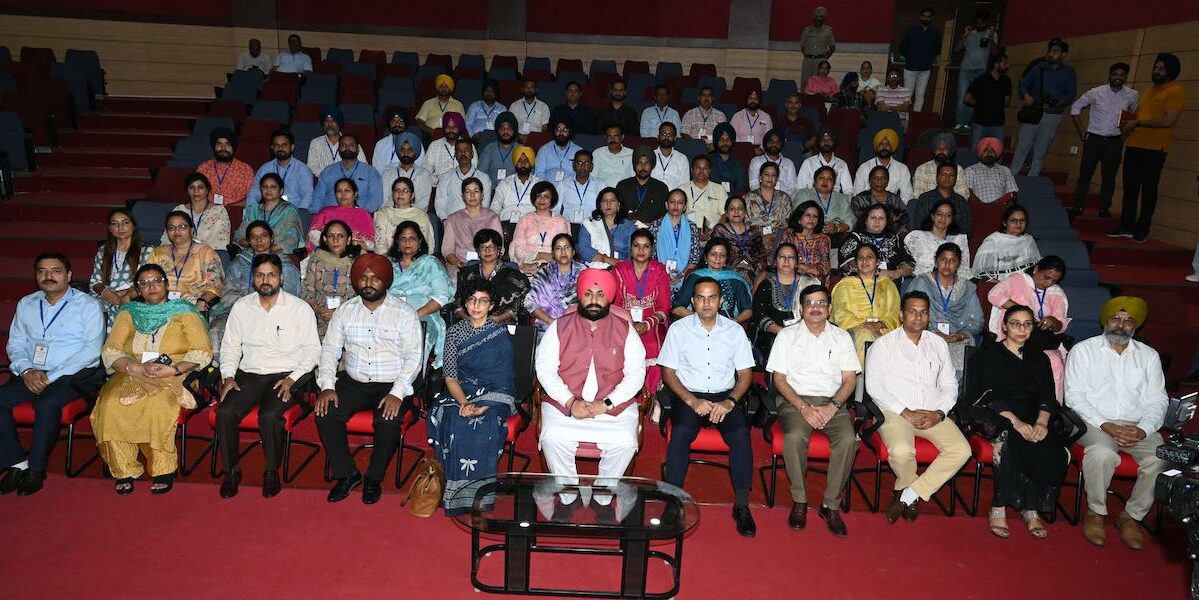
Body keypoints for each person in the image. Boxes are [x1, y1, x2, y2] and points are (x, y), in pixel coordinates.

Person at [534, 268, 647, 521]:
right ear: (579, 296)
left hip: (611, 407)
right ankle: (569, 496)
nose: (594, 299)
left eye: (600, 294)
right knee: (553, 439)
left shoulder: (625, 329)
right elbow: (544, 368)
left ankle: (603, 496)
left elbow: (636, 374)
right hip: (567, 405)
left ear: (609, 298)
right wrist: (569, 401)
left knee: (625, 443)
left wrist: (606, 403)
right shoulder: (559, 327)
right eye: (588, 293)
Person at [91, 264, 212, 495]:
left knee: (156, 406)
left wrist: (173, 370)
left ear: (166, 284)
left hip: (175, 374)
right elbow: (111, 350)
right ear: (137, 289)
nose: (151, 287)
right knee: (109, 405)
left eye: (156, 281)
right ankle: (123, 468)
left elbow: (202, 351)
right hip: (131, 371)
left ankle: (163, 469)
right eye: (144, 283)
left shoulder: (185, 312)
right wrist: (134, 367)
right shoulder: (128, 313)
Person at [315, 253, 423, 504]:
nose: (369, 282)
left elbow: (414, 357)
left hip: (391, 381)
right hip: (354, 381)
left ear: (386, 280)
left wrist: (397, 392)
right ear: (355, 281)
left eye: (375, 278)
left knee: (387, 420)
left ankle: (374, 477)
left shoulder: (404, 313)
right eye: (363, 277)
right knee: (324, 412)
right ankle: (347, 473)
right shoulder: (345, 311)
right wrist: (327, 386)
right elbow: (330, 350)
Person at [1065, 296, 1168, 550]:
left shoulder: (1148, 356)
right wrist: (1106, 425)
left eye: (1128, 321)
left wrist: (1143, 428)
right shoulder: (1084, 350)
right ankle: (1096, 512)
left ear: (1136, 326)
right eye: (1116, 318)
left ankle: (1131, 517)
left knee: (1161, 457)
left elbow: (1158, 399)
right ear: (1105, 320)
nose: (1121, 325)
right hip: (1093, 422)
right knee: (1103, 453)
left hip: (1137, 424)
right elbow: (1074, 397)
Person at [214, 253, 320, 498]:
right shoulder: (242, 307)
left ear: (281, 278)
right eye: (260, 275)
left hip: (286, 375)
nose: (265, 280)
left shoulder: (299, 308)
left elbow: (313, 351)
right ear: (253, 278)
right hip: (249, 374)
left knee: (270, 416)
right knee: (225, 412)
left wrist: (294, 378)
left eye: (271, 275)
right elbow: (230, 346)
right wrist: (228, 375)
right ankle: (231, 470)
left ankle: (271, 471)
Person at [659, 277, 757, 536]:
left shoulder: (735, 331)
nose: (706, 303)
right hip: (690, 396)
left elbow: (746, 374)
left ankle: (742, 505)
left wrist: (730, 401)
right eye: (700, 298)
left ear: (721, 301)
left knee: (740, 434)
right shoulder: (679, 329)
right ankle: (672, 500)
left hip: (725, 396)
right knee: (681, 432)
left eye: (712, 297)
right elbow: (668, 372)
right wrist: (691, 400)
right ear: (692, 301)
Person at [0, 253, 104, 495]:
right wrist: (27, 370)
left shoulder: (87, 305)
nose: (48, 276)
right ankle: (17, 463)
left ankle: (36, 469)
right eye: (42, 271)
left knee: (47, 404)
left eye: (56, 271)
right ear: (36, 275)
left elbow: (90, 351)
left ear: (68, 275)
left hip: (73, 376)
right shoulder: (26, 304)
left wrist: (51, 376)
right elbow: (15, 344)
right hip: (32, 373)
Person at [964, 304, 1066, 539]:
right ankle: (999, 506)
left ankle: (1031, 509)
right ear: (1004, 326)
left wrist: (1041, 422)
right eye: (1015, 324)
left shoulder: (1038, 357)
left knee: (1049, 444)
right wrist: (1016, 422)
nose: (1022, 329)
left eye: (1027, 324)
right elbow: (987, 394)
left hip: (1033, 415)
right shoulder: (989, 354)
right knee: (1014, 438)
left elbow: (1047, 394)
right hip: (997, 414)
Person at [867, 291, 970, 523]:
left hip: (931, 412)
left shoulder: (938, 344)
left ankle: (909, 494)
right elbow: (874, 387)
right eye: (912, 312)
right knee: (903, 451)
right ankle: (909, 493)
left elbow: (949, 384)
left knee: (962, 451)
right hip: (895, 412)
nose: (918, 317)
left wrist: (940, 412)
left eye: (923, 312)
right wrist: (905, 412)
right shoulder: (883, 345)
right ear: (902, 314)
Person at [766, 283, 859, 536]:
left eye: (821, 303)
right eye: (810, 303)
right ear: (801, 308)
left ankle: (830, 504)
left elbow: (850, 380)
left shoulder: (841, 337)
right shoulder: (787, 336)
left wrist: (833, 406)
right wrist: (804, 407)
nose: (815, 308)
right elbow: (779, 380)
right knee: (795, 437)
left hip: (833, 401)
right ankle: (800, 500)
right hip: (794, 400)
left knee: (849, 440)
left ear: (829, 308)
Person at [427, 279, 516, 515]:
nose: (477, 305)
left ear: (492, 304)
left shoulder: (500, 336)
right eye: (472, 300)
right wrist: (464, 402)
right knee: (455, 419)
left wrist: (483, 406)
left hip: (494, 395)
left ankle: (480, 495)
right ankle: (454, 493)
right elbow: (450, 377)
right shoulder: (454, 332)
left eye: (483, 300)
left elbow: (505, 380)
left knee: (484, 424)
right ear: (465, 303)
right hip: (459, 393)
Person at [1111, 53, 1184, 242]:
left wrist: (1139, 124)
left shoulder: (1175, 90)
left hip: (1155, 149)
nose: (1156, 71)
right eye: (1155, 67)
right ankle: (1126, 226)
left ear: (1171, 70)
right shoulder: (1148, 90)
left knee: (1149, 190)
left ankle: (1142, 230)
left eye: (1161, 68)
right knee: (1130, 189)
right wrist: (1127, 128)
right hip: (1135, 145)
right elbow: (1137, 117)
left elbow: (1169, 120)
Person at [209, 221, 302, 355]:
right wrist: (245, 305)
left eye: (263, 235)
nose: (259, 240)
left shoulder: (284, 264)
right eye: (253, 237)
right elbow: (228, 290)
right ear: (248, 241)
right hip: (237, 310)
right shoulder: (239, 261)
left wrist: (259, 306)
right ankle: (223, 370)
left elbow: (291, 295)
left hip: (273, 312)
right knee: (217, 329)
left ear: (271, 239)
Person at [987, 256, 1070, 401]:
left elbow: (1061, 325)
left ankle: (1051, 408)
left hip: (1040, 340)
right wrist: (1022, 311)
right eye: (1047, 277)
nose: (1049, 283)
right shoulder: (1017, 280)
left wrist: (1053, 321)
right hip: (1014, 337)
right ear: (1036, 269)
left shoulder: (1056, 292)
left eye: (1054, 281)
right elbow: (994, 295)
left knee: (1054, 361)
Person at [1069, 63, 1138, 220]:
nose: (1118, 77)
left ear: (1125, 77)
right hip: (1093, 139)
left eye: (1121, 75)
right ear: (1110, 75)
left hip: (1114, 141)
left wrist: (1123, 137)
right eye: (1115, 74)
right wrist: (1082, 133)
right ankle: (1078, 206)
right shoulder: (1096, 92)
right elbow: (1075, 108)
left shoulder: (1132, 95)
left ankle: (1104, 209)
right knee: (1085, 175)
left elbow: (1132, 115)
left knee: (1109, 177)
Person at [905, 243, 983, 378]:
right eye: (943, 259)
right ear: (936, 261)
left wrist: (961, 335)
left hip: (956, 339)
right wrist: (930, 333)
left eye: (952, 260)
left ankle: (951, 398)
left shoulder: (967, 288)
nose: (947, 264)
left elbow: (977, 321)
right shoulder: (922, 282)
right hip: (924, 335)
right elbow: (908, 313)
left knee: (956, 364)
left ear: (958, 264)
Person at [613, 229, 673, 401]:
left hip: (652, 325)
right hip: (624, 324)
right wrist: (630, 325)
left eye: (646, 246)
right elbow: (614, 305)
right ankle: (625, 396)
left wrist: (646, 325)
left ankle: (650, 396)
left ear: (652, 249)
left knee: (654, 345)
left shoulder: (659, 271)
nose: (641, 250)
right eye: (637, 246)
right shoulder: (619, 270)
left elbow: (665, 306)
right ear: (630, 248)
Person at [1011, 38, 1077, 177]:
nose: (1052, 54)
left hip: (1053, 115)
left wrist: (1059, 102)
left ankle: (1032, 178)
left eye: (1056, 51)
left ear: (1063, 54)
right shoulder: (1039, 68)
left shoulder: (1068, 72)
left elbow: (1071, 94)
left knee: (1041, 150)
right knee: (1022, 147)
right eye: (1050, 51)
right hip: (1034, 112)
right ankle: (1012, 176)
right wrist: (1026, 95)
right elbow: (1023, 84)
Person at [832, 243, 902, 363]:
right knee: (865, 335)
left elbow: (894, 313)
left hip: (884, 330)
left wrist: (879, 325)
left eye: (869, 257)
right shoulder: (845, 284)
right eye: (860, 257)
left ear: (877, 262)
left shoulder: (888, 284)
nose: (864, 261)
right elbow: (841, 313)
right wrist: (867, 326)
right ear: (856, 262)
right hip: (856, 330)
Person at [751, 244, 819, 358]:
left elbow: (817, 310)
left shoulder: (808, 284)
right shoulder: (766, 284)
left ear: (797, 262)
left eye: (791, 257)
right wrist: (782, 332)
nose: (786, 261)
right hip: (774, 335)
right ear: (775, 261)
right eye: (782, 257)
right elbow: (759, 314)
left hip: (805, 333)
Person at [90, 208, 153, 328]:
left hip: (133, 299)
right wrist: (106, 293)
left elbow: (147, 281)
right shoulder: (103, 251)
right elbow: (95, 281)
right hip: (106, 298)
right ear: (110, 228)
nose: (121, 227)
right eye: (115, 224)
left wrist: (126, 295)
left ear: (133, 226)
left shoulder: (147, 251)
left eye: (125, 222)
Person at [149, 211, 223, 309]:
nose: (176, 231)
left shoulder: (205, 252)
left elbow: (215, 286)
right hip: (159, 305)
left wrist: (203, 300)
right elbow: (146, 280)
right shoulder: (158, 253)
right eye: (171, 228)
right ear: (167, 232)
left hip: (192, 306)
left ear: (192, 230)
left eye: (182, 227)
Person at [454, 229, 529, 325]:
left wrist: (497, 319)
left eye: (492, 247)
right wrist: (470, 320)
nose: (487, 250)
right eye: (483, 247)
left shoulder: (515, 277)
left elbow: (516, 306)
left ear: (499, 250)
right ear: (477, 251)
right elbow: (458, 303)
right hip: (469, 324)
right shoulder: (466, 274)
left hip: (501, 324)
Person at [301, 219, 361, 338]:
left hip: (349, 320)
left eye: (340, 236)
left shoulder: (356, 263)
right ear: (325, 239)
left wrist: (340, 313)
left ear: (348, 240)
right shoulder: (316, 260)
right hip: (320, 318)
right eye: (331, 236)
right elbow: (307, 294)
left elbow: (361, 297)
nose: (335, 240)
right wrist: (319, 310)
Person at [673, 238, 752, 324]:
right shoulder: (695, 277)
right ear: (706, 257)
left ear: (726, 259)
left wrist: (731, 323)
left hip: (725, 330)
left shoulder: (736, 279)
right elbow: (677, 308)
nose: (718, 258)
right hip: (698, 328)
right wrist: (700, 320)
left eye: (722, 255)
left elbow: (747, 311)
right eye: (713, 254)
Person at [526, 233, 586, 339]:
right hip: (547, 327)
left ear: (573, 252)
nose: (563, 252)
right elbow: (529, 303)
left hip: (577, 328)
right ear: (553, 253)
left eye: (566, 247)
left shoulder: (584, 273)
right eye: (558, 248)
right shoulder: (543, 274)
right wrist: (551, 322)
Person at [441, 177, 502, 278]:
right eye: (468, 192)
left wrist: (484, 266)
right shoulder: (453, 219)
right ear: (463, 196)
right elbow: (447, 250)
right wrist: (460, 264)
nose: (472, 195)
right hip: (460, 267)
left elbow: (499, 247)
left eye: (476, 191)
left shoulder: (492, 218)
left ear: (482, 195)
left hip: (488, 266)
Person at [246, 127, 315, 212]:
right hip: (268, 212)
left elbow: (307, 196)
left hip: (293, 212)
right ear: (272, 147)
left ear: (292, 147)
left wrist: (297, 215)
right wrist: (252, 210)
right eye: (276, 145)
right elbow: (255, 191)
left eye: (284, 145)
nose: (280, 148)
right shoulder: (265, 169)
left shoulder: (303, 170)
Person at [954, 10, 1000, 133]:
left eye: (982, 23)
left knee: (973, 97)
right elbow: (957, 49)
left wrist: (990, 37)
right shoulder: (970, 33)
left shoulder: (991, 33)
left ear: (986, 22)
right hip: (966, 69)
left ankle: (967, 124)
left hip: (980, 71)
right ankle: (959, 123)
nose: (980, 25)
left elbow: (994, 52)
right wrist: (964, 35)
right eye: (978, 22)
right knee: (962, 96)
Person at [839, 205, 914, 280]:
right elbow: (847, 264)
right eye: (873, 217)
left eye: (881, 218)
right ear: (865, 220)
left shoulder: (895, 239)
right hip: (861, 284)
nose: (877, 221)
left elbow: (910, 263)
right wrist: (876, 273)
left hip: (892, 284)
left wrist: (896, 273)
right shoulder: (855, 237)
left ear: (886, 221)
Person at [235, 173, 305, 254]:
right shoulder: (253, 210)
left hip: (278, 254)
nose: (268, 190)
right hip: (251, 253)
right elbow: (240, 233)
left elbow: (291, 238)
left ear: (281, 191)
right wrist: (248, 243)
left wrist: (267, 250)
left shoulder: (289, 210)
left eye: (273, 187)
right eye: (265, 187)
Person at [314, 133, 384, 213]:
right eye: (343, 145)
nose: (347, 147)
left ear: (358, 149)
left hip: (359, 216)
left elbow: (376, 198)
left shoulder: (370, 172)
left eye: (351, 145)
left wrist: (361, 214)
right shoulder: (327, 172)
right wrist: (315, 214)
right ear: (339, 149)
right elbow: (318, 197)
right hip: (331, 216)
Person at [511, 181, 571, 274]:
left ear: (552, 200)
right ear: (534, 198)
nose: (542, 200)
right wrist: (539, 257)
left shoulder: (561, 221)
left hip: (554, 266)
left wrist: (544, 263)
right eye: (538, 196)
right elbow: (518, 250)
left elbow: (565, 250)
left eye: (546, 197)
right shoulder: (525, 220)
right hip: (527, 265)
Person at [904, 199, 971, 279]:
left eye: (948, 215)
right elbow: (906, 262)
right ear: (932, 216)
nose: (943, 218)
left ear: (952, 219)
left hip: (952, 281)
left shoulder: (959, 240)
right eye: (940, 214)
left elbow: (963, 268)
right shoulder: (917, 236)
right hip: (922, 280)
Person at [973, 204, 1041, 282]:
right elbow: (980, 272)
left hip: (1024, 283)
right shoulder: (993, 241)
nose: (1018, 224)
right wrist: (1003, 285)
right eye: (1013, 220)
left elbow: (1035, 267)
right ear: (1004, 222)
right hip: (998, 284)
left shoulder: (1028, 240)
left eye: (1022, 220)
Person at [650, 189, 703, 289]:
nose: (675, 205)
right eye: (672, 202)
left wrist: (680, 275)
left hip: (684, 277)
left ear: (685, 207)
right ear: (666, 205)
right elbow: (651, 255)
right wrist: (663, 274)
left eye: (680, 202)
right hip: (658, 276)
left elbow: (694, 258)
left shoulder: (692, 227)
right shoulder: (656, 225)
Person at [163, 172, 231, 249]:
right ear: (187, 190)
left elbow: (220, 243)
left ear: (207, 190)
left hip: (208, 256)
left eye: (200, 187)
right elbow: (168, 238)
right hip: (179, 255)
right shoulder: (179, 209)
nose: (196, 191)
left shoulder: (218, 211)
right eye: (191, 187)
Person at [306, 178, 375, 252]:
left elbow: (371, 245)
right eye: (339, 191)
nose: (343, 194)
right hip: (327, 253)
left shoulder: (364, 215)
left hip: (355, 254)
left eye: (347, 190)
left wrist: (349, 244)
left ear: (355, 194)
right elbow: (313, 235)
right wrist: (333, 246)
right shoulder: (326, 212)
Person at [712, 195, 768, 283]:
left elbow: (761, 257)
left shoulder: (754, 231)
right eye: (732, 209)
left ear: (745, 212)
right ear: (726, 213)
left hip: (752, 273)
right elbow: (714, 256)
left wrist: (751, 267)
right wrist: (735, 266)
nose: (736, 211)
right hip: (726, 273)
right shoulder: (720, 231)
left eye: (740, 208)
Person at [964, 51, 1012, 150]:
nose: (1007, 66)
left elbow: (1007, 101)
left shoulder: (1007, 80)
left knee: (998, 151)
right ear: (996, 64)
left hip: (998, 123)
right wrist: (981, 104)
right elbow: (967, 98)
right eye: (1004, 63)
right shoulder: (981, 79)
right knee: (975, 151)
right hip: (980, 122)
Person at [435, 139, 492, 220]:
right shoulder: (445, 177)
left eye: (466, 150)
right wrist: (445, 221)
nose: (463, 153)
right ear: (455, 155)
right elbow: (440, 204)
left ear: (472, 154)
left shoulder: (484, 178)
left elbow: (485, 205)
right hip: (451, 223)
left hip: (476, 223)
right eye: (459, 150)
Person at [196, 127, 254, 207]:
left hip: (236, 213)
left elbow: (251, 199)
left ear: (233, 147)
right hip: (208, 213)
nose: (223, 148)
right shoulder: (203, 168)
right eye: (219, 144)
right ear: (214, 147)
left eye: (227, 144)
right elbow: (197, 196)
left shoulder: (245, 170)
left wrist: (229, 208)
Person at [375, 177, 435, 255]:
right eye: (397, 190)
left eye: (405, 191)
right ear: (392, 194)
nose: (400, 194)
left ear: (412, 195)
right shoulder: (383, 214)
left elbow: (428, 244)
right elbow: (380, 246)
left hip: (418, 261)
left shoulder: (421, 215)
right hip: (389, 259)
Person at [578, 186, 634, 268]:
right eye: (605, 201)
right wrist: (607, 259)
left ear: (618, 205)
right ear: (600, 205)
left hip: (621, 269)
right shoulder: (589, 224)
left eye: (613, 200)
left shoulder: (628, 226)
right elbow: (583, 249)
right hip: (594, 269)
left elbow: (632, 252)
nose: (608, 204)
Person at [908, 163, 971, 234]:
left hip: (954, 242)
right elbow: (918, 227)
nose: (947, 178)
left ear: (955, 179)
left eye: (951, 175)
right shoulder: (925, 199)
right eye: (944, 175)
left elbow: (966, 229)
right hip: (928, 241)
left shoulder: (961, 201)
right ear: (937, 178)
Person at [899, 7, 941, 112]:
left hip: (925, 69)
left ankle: (915, 118)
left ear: (931, 18)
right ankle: (903, 116)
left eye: (928, 17)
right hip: (910, 68)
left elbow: (937, 49)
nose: (926, 19)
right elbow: (902, 48)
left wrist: (928, 59)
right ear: (920, 16)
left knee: (920, 95)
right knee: (907, 95)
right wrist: (911, 58)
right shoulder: (911, 31)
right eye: (924, 16)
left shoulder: (935, 33)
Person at [743, 162, 793, 252]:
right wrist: (761, 237)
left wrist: (773, 237)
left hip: (778, 242)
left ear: (777, 179)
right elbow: (745, 223)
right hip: (754, 241)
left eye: (773, 175)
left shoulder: (784, 198)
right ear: (760, 177)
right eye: (766, 174)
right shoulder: (748, 198)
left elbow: (787, 224)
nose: (770, 178)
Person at [853, 129, 913, 202]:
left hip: (892, 208)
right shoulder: (864, 167)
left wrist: (896, 208)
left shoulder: (902, 169)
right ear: (876, 147)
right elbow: (857, 193)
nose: (884, 147)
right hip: (868, 207)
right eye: (881, 144)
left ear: (892, 148)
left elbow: (907, 195)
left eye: (887, 144)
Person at [793, 165, 853, 238]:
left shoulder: (842, 199)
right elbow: (796, 218)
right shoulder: (804, 195)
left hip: (835, 240)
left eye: (829, 179)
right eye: (821, 178)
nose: (825, 181)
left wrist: (837, 228)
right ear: (814, 181)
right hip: (808, 239)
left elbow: (850, 223)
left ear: (834, 184)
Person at [779, 201, 832, 283]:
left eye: (815, 216)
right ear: (799, 219)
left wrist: (813, 271)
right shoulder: (789, 235)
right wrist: (803, 267)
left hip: (816, 281)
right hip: (792, 278)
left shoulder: (823, 239)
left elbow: (826, 267)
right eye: (807, 215)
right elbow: (784, 261)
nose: (811, 219)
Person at [380, 131, 434, 212]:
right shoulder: (387, 174)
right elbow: (383, 202)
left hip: (415, 215)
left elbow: (424, 204)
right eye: (402, 150)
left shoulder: (424, 174)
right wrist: (398, 210)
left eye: (409, 150)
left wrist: (406, 211)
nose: (406, 153)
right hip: (392, 214)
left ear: (415, 152)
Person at [306, 106, 367, 178]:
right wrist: (329, 176)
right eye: (326, 121)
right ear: (323, 125)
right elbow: (311, 167)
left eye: (333, 121)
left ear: (339, 123)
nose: (330, 124)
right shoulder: (316, 143)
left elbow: (364, 166)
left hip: (349, 184)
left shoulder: (351, 142)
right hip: (325, 183)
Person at [850, 166, 908, 240]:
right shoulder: (859, 199)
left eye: (883, 178)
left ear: (887, 182)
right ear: (870, 180)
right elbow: (857, 222)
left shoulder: (895, 200)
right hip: (865, 238)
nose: (879, 181)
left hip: (891, 237)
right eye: (875, 178)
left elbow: (903, 220)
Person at [616, 146, 669, 225]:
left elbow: (664, 216)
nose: (643, 166)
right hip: (626, 230)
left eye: (646, 163)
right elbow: (617, 212)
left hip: (652, 231)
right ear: (634, 165)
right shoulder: (622, 186)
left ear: (652, 165)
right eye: (639, 162)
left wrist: (651, 225)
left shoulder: (661, 188)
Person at [491, 146, 543, 225]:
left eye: (526, 161)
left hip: (530, 224)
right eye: (519, 161)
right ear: (515, 163)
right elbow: (495, 206)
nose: (523, 164)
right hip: (507, 223)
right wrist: (495, 224)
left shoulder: (539, 184)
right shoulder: (505, 183)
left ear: (531, 163)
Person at [911, 131, 969, 199]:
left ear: (950, 151)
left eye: (945, 149)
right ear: (934, 150)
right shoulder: (922, 169)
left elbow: (963, 195)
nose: (941, 151)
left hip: (953, 206)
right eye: (938, 148)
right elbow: (918, 195)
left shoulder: (958, 169)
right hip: (928, 206)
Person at [796, 127, 854, 194]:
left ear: (834, 142)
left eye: (829, 140)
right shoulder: (809, 162)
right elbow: (800, 187)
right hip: (812, 200)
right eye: (823, 140)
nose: (826, 142)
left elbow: (848, 189)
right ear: (819, 143)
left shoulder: (841, 164)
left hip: (835, 201)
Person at [556, 149, 605, 226]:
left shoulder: (600, 186)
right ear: (573, 165)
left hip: (592, 226)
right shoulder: (563, 185)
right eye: (580, 163)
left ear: (591, 166)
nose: (583, 166)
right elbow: (556, 209)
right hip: (568, 226)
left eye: (586, 163)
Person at [965, 137, 1019, 204]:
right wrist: (983, 207)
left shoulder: (1005, 170)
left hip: (1001, 207)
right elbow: (967, 192)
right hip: (978, 207)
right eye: (985, 150)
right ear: (980, 153)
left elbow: (1012, 194)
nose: (989, 153)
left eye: (993, 150)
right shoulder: (970, 170)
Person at [371, 108, 424, 175]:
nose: (397, 124)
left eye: (400, 121)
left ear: (405, 123)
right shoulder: (380, 144)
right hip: (386, 181)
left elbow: (420, 168)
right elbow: (377, 171)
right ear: (389, 124)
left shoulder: (416, 142)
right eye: (393, 121)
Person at [477, 111, 526, 183]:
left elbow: (527, 175)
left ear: (514, 130)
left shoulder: (522, 150)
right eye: (502, 128)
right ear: (497, 130)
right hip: (492, 190)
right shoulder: (489, 149)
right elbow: (480, 175)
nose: (505, 131)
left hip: (514, 191)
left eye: (509, 128)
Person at [748, 128, 799, 194]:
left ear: (782, 144)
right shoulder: (756, 161)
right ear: (766, 143)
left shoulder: (789, 163)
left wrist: (782, 199)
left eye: (777, 142)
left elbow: (793, 188)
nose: (774, 144)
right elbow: (754, 185)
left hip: (784, 200)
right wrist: (767, 197)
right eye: (771, 141)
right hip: (761, 199)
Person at [683, 155, 728, 230]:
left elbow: (725, 214)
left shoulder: (719, 189)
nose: (701, 171)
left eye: (705, 168)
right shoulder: (682, 190)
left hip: (714, 233)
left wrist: (716, 231)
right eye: (698, 168)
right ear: (692, 170)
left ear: (709, 171)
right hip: (689, 232)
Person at [534, 115, 582, 184]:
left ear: (570, 132)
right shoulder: (544, 150)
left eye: (565, 130)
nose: (561, 133)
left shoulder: (578, 151)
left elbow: (580, 175)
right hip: (548, 189)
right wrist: (548, 188)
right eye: (558, 129)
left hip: (570, 189)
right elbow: (539, 173)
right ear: (554, 131)